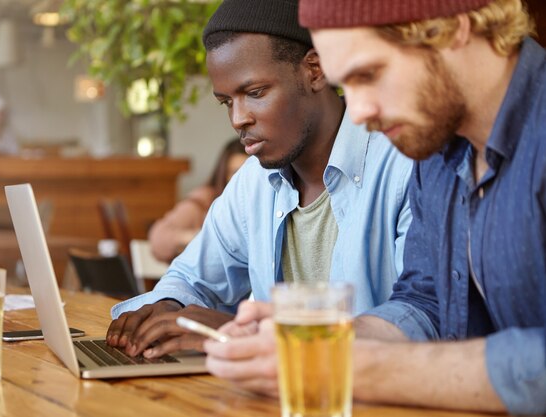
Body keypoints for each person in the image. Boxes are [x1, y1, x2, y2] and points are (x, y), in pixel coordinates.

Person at [205, 0, 546, 414]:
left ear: (452, 27)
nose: (361, 113)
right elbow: (427, 303)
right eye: (348, 86)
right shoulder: (437, 152)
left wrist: (356, 367)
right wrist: (319, 338)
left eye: (370, 74)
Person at [106, 0, 412, 362]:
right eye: (226, 102)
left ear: (314, 70)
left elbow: (421, 317)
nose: (238, 120)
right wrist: (167, 308)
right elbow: (192, 278)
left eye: (255, 93)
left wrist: (245, 333)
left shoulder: (403, 162)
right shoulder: (254, 181)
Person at [148, 138, 247, 263]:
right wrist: (199, 237)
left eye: (250, 172)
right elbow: (158, 237)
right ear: (223, 173)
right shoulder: (203, 201)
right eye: (235, 172)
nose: (243, 179)